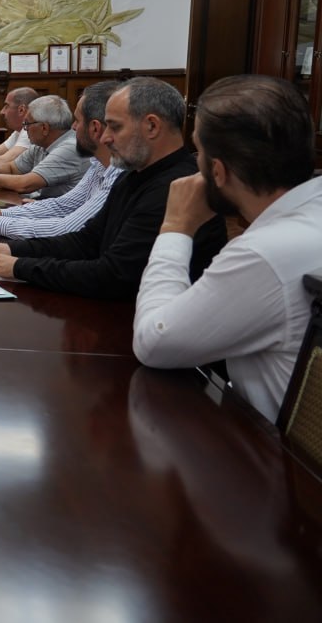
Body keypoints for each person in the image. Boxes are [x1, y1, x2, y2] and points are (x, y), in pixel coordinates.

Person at [133, 75, 322, 421]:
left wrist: (176, 227)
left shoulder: (263, 253)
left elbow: (154, 342)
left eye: (199, 152)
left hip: (278, 462)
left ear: (216, 172)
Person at [0, 77, 226, 299]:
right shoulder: (134, 174)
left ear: (152, 126)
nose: (106, 137)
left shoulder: (173, 186)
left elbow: (114, 275)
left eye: (115, 127)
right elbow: (86, 240)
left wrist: (19, 266)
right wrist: (10, 250)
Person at [0, 81, 123, 238]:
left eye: (77, 120)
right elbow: (63, 206)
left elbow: (66, 228)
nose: (73, 127)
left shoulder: (112, 168)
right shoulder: (98, 164)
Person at [0, 95, 88, 198]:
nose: (25, 129)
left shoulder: (69, 148)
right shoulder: (40, 145)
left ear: (44, 128)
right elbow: (11, 168)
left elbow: (24, 184)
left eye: (27, 124)